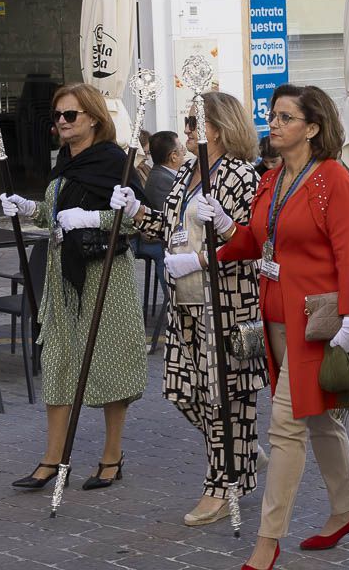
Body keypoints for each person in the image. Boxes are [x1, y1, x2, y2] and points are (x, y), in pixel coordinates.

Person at [206, 84, 349, 570]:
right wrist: (223, 230)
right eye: (272, 115)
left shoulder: (333, 179)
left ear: (313, 128)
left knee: (285, 428)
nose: (273, 124)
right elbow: (259, 242)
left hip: (316, 325)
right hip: (275, 320)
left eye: (285, 117)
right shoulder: (272, 179)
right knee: (317, 418)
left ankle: (267, 540)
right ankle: (347, 510)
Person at [110, 93, 270, 525]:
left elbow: (247, 242)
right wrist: (137, 210)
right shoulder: (187, 171)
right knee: (184, 390)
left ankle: (221, 484)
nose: (187, 130)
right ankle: (238, 446)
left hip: (228, 303)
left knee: (224, 397)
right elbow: (167, 224)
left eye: (194, 122)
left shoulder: (239, 175)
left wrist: (208, 245)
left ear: (218, 127)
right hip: (184, 300)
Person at [2, 83, 147, 492]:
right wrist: (29, 209)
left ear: (95, 119)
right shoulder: (64, 163)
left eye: (71, 116)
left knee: (109, 361)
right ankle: (51, 458)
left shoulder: (115, 163)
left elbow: (136, 219)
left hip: (105, 276)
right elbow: (54, 214)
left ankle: (112, 456)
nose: (62, 123)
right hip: (61, 277)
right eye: (58, 116)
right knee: (59, 360)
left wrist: (93, 219)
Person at [133, 130, 185, 302]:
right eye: (182, 149)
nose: (185, 152)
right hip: (153, 239)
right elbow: (172, 218)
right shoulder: (162, 179)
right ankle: (176, 300)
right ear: (173, 157)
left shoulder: (164, 174)